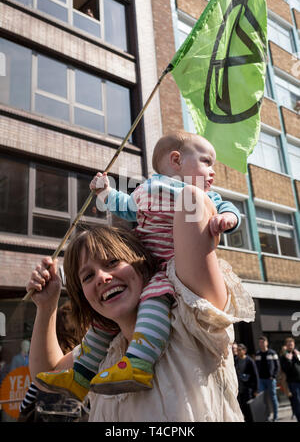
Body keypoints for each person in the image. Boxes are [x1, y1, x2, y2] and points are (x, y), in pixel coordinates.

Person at [36, 132, 242, 401]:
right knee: (101, 325)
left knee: (154, 296)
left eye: (112, 263)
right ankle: (80, 376)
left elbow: (221, 207)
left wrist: (225, 217)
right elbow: (124, 206)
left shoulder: (197, 196)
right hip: (147, 263)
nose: (102, 277)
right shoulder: (146, 190)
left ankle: (138, 363)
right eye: (206, 162)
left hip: (168, 268)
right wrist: (105, 192)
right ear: (176, 160)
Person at [27, 221, 255, 422]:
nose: (102, 277)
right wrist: (47, 306)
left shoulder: (190, 319)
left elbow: (191, 204)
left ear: (142, 264)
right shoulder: (103, 352)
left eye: (112, 262)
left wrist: (179, 179)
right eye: (88, 276)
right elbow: (47, 373)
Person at [255, 336, 279, 422]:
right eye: (260, 342)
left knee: (273, 398)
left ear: (266, 343)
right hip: (261, 380)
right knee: (263, 399)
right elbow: (256, 367)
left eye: (263, 342)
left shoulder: (272, 353)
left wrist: (274, 376)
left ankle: (275, 417)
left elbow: (277, 366)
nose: (261, 344)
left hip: (270, 380)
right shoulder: (257, 354)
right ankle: (268, 416)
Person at [235, 343, 259, 422]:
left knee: (249, 408)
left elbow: (255, 375)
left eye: (239, 350)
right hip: (239, 389)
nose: (237, 352)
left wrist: (256, 390)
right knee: (243, 408)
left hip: (248, 389)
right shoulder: (236, 360)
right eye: (237, 350)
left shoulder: (249, 361)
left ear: (244, 351)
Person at [280, 337, 300, 422]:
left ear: (294, 345)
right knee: (297, 402)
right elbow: (285, 370)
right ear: (286, 346)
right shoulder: (284, 356)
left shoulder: (297, 354)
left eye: (291, 344)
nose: (290, 346)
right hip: (293, 383)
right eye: (288, 345)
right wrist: (289, 360)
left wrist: (298, 356)